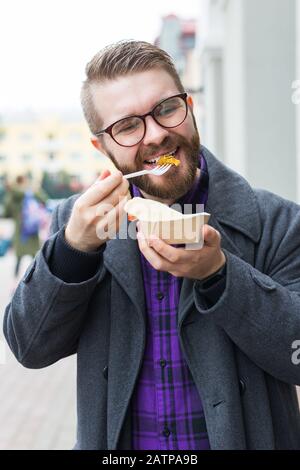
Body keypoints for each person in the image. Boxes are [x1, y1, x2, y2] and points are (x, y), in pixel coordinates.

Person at [3, 40, 300, 450]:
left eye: (166, 109)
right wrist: (74, 251)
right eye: (127, 126)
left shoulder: (277, 222)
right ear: (101, 146)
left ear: (189, 107)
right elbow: (29, 347)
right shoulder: (79, 224)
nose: (157, 134)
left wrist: (220, 275)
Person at [3, 175, 48, 280]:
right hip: (32, 230)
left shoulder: (14, 196)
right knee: (35, 258)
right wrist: (34, 189)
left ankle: (15, 282)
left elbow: (6, 213)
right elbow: (44, 200)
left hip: (20, 232)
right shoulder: (31, 193)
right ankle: (39, 280)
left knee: (18, 258)